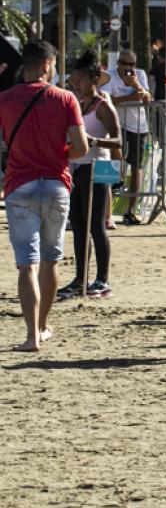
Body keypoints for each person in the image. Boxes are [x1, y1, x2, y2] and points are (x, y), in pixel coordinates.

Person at [0, 41, 88, 351]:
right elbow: (81, 148)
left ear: (25, 65)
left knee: (27, 264)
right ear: (47, 66)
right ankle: (43, 325)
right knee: (52, 260)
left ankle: (30, 337)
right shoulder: (65, 98)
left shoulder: (5, 99)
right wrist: (58, 153)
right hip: (55, 185)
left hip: (19, 185)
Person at [59, 57, 122, 300]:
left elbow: (118, 141)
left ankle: (103, 279)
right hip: (78, 167)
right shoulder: (77, 103)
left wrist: (92, 140)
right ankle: (80, 279)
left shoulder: (103, 106)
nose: (75, 85)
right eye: (73, 81)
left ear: (95, 79)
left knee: (96, 224)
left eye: (80, 81)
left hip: (100, 166)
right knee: (78, 224)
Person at [103, 49, 152, 225]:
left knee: (137, 166)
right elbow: (108, 100)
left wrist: (137, 85)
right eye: (125, 64)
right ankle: (108, 208)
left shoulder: (140, 75)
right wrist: (130, 97)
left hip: (139, 126)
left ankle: (130, 210)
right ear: (118, 64)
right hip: (118, 124)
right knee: (116, 160)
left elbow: (147, 99)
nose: (128, 68)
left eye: (131, 64)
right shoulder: (110, 76)